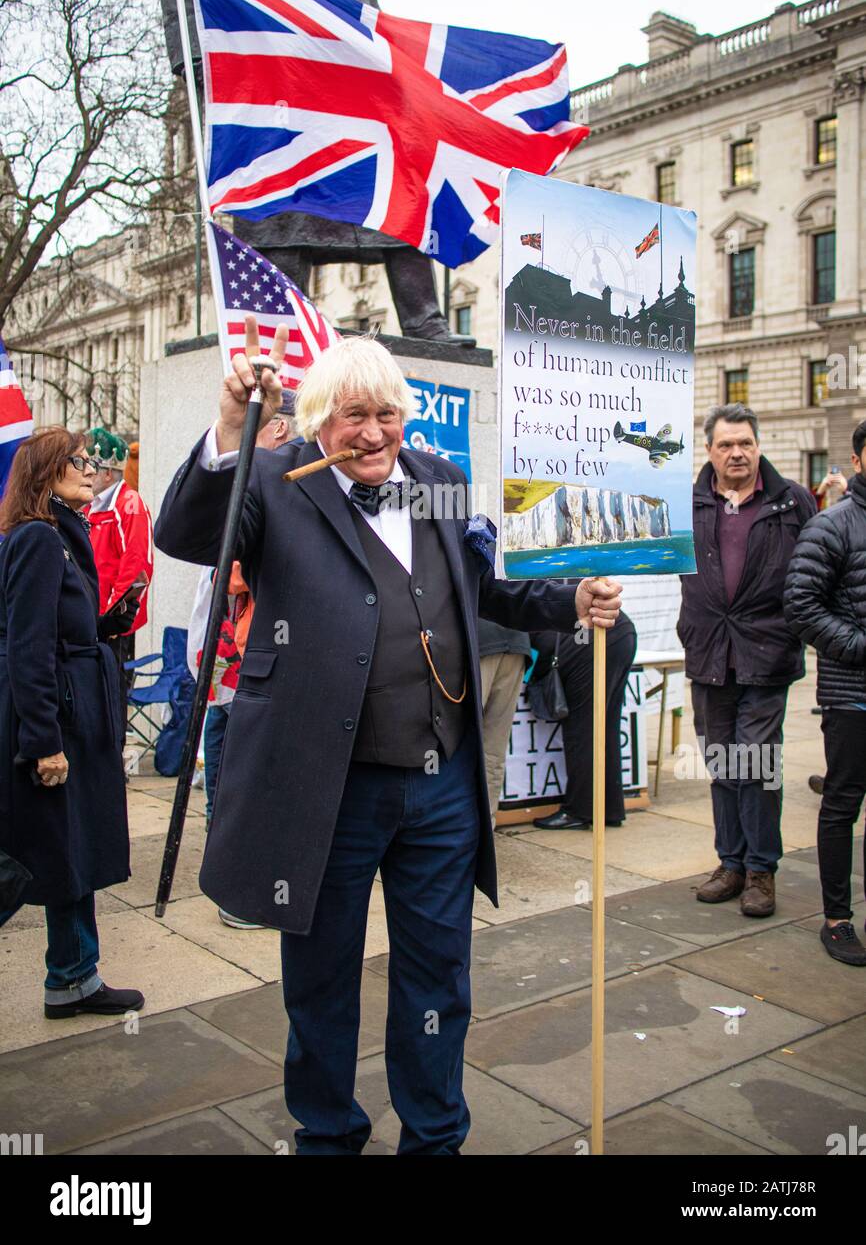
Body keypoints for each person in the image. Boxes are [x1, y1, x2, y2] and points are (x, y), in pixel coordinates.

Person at [154, 321, 621, 1155]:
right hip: (324, 787)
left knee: (439, 972)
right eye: (352, 417)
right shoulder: (274, 479)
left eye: (388, 416)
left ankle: (435, 1133)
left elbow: (487, 583)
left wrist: (569, 599)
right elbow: (189, 535)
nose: (373, 435)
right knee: (323, 976)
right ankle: (328, 1132)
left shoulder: (437, 478)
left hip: (439, 788)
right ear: (317, 422)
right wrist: (229, 428)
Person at [160, 0, 466, 346]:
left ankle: (423, 318)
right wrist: (195, 60)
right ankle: (278, 326)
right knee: (283, 206)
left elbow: (367, 3)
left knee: (404, 173)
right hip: (281, 82)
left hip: (352, 83)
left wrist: (396, 74)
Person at [0, 428, 142, 1017]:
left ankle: (73, 977)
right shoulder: (37, 537)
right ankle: (72, 975)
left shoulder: (59, 534)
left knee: (68, 849)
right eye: (77, 460)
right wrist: (43, 742)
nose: (91, 468)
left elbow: (61, 627)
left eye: (90, 459)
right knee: (41, 854)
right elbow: (27, 646)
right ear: (45, 474)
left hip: (73, 711)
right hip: (58, 719)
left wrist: (109, 623)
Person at [678, 403, 816, 918]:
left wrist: (801, 627)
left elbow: (822, 570)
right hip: (709, 649)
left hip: (767, 650)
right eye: (726, 445)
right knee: (721, 763)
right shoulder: (687, 504)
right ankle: (730, 863)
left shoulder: (793, 502)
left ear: (758, 446)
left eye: (746, 444)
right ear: (709, 450)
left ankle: (761, 870)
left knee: (756, 763)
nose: (737, 453)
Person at [187, 391, 296, 929]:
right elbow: (228, 567)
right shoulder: (255, 485)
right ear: (276, 433)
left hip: (240, 664)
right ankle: (232, 886)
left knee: (237, 773)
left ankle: (229, 872)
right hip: (236, 663)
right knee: (238, 778)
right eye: (290, 432)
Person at [784, 419, 866, 966]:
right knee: (842, 803)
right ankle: (837, 918)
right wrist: (860, 646)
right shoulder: (833, 525)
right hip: (853, 693)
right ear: (858, 460)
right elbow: (801, 605)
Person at [530, 613, 637, 830]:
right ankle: (608, 809)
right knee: (605, 727)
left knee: (583, 730)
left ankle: (578, 811)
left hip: (589, 641)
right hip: (618, 633)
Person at [85, 427, 154, 732]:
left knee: (111, 697)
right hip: (88, 621)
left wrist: (113, 618)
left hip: (112, 625)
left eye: (92, 468)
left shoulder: (130, 506)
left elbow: (135, 567)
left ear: (108, 474)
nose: (86, 473)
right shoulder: (90, 507)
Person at [476, 620, 533, 825]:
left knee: (458, 745)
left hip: (480, 641)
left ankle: (461, 831)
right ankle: (485, 827)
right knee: (493, 748)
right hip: (515, 640)